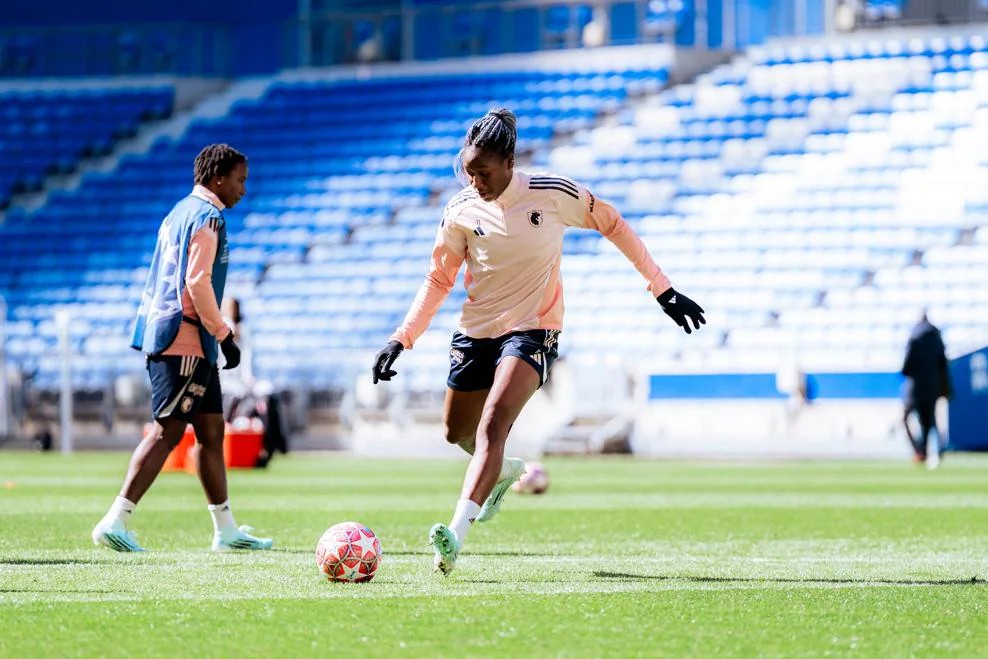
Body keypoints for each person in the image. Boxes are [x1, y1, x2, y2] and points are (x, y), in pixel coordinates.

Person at [371, 108, 705, 576]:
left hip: (534, 329)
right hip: (475, 332)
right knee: (456, 433)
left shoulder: (552, 193)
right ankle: (505, 470)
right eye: (468, 172)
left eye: (484, 172)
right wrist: (401, 337)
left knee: (492, 424)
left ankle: (454, 537)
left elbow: (612, 223)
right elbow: (438, 279)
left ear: (510, 162)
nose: (475, 182)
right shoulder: (460, 210)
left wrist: (661, 288)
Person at [91, 144, 273, 552]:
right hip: (184, 341)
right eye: (240, 180)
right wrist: (223, 333)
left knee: (211, 431)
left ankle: (226, 530)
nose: (244, 189)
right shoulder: (207, 217)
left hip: (180, 338)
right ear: (218, 178)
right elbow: (196, 280)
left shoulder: (178, 213)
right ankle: (115, 519)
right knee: (167, 431)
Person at [901, 311, 951, 467]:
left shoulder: (914, 339)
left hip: (915, 388)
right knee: (929, 422)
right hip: (932, 387)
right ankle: (933, 451)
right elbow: (943, 365)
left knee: (906, 419)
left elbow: (906, 367)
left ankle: (920, 451)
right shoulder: (937, 339)